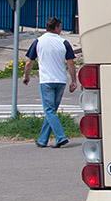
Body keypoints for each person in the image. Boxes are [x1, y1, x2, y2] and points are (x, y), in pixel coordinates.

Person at [22, 17, 78, 148]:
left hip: (46, 80)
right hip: (60, 80)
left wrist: (26, 76)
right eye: (60, 26)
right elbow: (71, 64)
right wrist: (74, 80)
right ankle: (43, 140)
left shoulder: (38, 42)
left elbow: (29, 62)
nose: (61, 29)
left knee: (49, 110)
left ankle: (61, 137)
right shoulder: (64, 42)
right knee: (51, 111)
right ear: (56, 27)